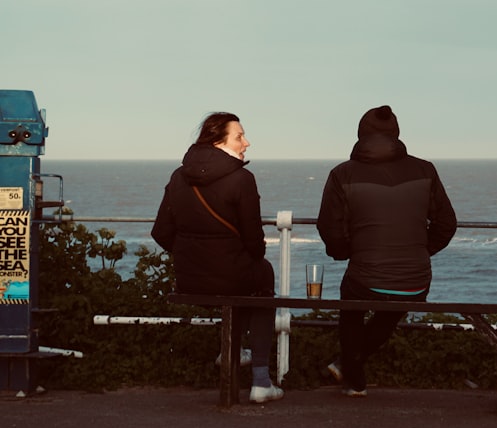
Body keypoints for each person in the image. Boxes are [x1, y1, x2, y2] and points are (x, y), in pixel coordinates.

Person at [317, 105, 457, 397]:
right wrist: (421, 250)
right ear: (396, 134)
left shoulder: (342, 174)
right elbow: (446, 224)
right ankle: (347, 365)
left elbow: (330, 229)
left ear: (360, 134)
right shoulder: (425, 170)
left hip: (366, 275)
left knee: (352, 305)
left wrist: (346, 252)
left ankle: (354, 380)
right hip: (416, 278)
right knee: (394, 304)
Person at [151, 112, 283, 404]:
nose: (247, 143)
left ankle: (232, 351)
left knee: (241, 279)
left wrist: (195, 254)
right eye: (239, 136)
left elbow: (160, 232)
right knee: (262, 274)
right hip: (232, 276)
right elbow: (254, 243)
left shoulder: (177, 177)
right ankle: (261, 380)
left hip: (190, 278)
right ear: (217, 141)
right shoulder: (242, 179)